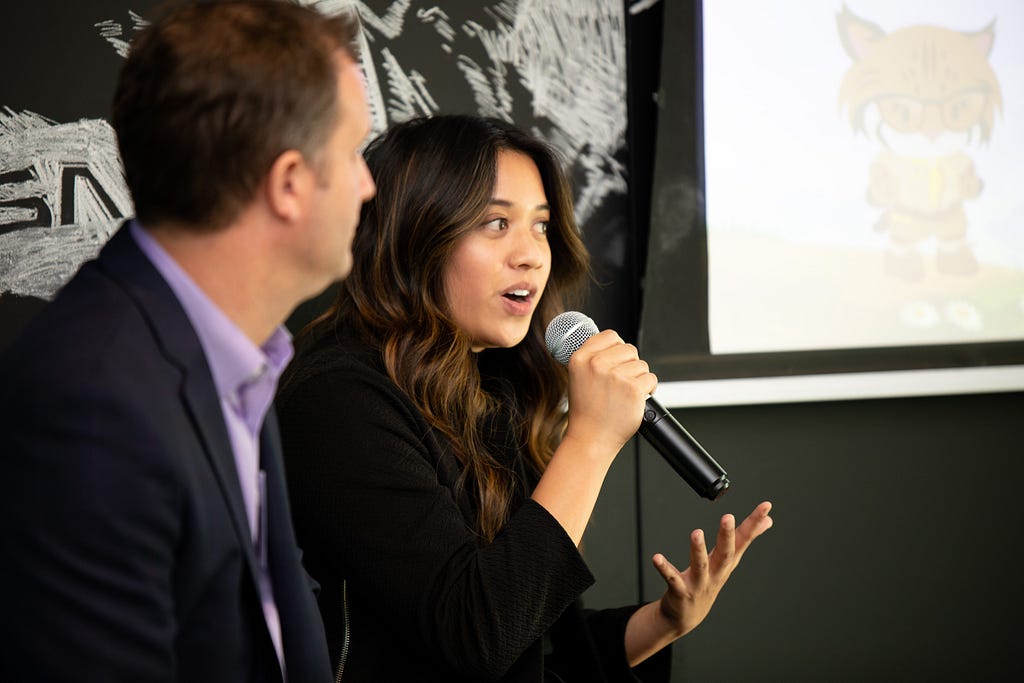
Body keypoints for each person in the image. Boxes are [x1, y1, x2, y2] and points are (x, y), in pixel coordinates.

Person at [276, 114, 773, 682]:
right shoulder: (338, 399)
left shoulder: (486, 386)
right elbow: (477, 635)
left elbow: (531, 646)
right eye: (494, 223)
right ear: (415, 234)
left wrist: (665, 621)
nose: (533, 255)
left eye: (540, 227)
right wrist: (589, 440)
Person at [0, 2, 375, 680]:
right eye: (353, 154)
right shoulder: (90, 402)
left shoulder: (233, 350)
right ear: (289, 184)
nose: (369, 184)